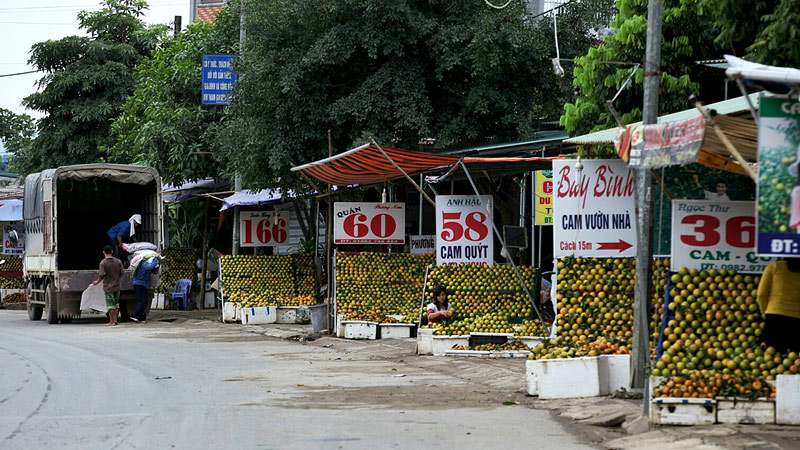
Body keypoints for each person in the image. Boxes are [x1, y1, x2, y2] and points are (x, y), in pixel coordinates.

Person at [756, 258, 800, 354]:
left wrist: (765, 313)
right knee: (793, 358)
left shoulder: (775, 266)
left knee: (771, 357)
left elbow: (761, 294)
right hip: (797, 320)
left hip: (774, 318)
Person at [91, 245, 123, 326]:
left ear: (103, 252)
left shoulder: (103, 263)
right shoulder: (118, 261)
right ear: (112, 251)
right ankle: (115, 320)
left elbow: (102, 275)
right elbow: (122, 273)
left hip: (108, 287)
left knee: (110, 305)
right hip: (117, 286)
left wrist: (97, 282)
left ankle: (111, 321)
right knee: (116, 304)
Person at [131, 255, 160, 323]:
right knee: (143, 301)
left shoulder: (142, 263)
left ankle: (141, 317)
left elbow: (153, 270)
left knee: (144, 301)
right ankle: (135, 315)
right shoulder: (144, 264)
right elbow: (151, 266)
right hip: (139, 284)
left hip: (141, 284)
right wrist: (156, 259)